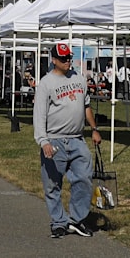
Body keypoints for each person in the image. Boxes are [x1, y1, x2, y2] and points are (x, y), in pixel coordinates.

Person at [33, 42, 102, 239]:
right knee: (53, 184)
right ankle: (58, 222)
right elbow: (39, 115)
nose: (67, 61)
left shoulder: (79, 79)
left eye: (69, 58)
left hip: (77, 139)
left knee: (84, 179)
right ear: (54, 60)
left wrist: (94, 129)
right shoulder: (46, 83)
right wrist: (43, 141)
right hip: (55, 140)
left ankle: (76, 220)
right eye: (63, 58)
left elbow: (86, 106)